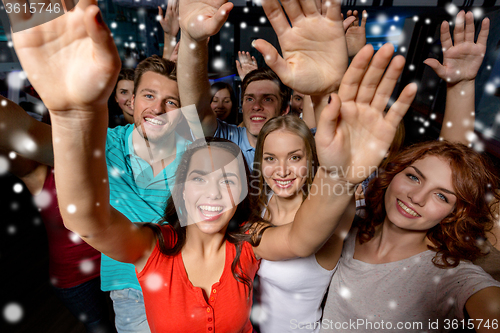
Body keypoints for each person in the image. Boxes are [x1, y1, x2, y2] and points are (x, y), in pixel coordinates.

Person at [5, 0, 417, 332]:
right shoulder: (153, 248)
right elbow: (87, 219)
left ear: (242, 192)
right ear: (180, 190)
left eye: (229, 180)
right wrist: (74, 113)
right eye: (199, 178)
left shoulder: (246, 246)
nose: (214, 191)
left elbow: (304, 238)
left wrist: (339, 174)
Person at [320, 141, 500, 333]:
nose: (416, 197)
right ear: (395, 172)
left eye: (441, 196)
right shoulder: (350, 224)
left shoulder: (448, 276)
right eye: (414, 177)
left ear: (454, 214)